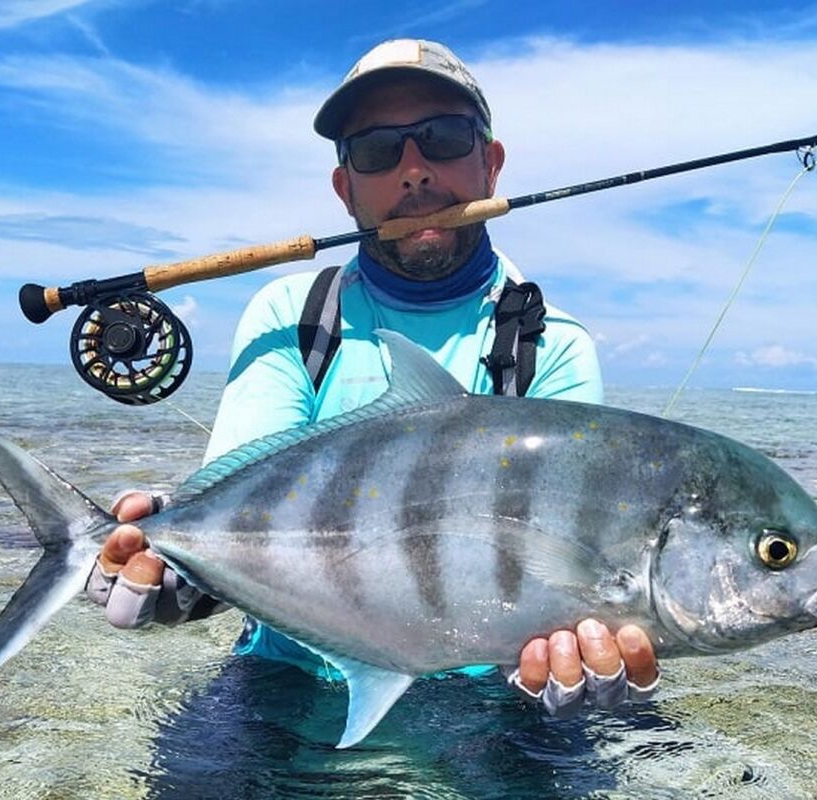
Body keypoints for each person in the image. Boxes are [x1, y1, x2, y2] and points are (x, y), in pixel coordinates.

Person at [86, 38, 659, 721]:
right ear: (345, 188)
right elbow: (248, 506)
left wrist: (579, 650)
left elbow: (572, 557)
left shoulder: (550, 343)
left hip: (487, 694)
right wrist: (181, 566)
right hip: (287, 674)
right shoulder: (295, 317)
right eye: (376, 151)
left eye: (444, 139)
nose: (413, 172)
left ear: (491, 164)